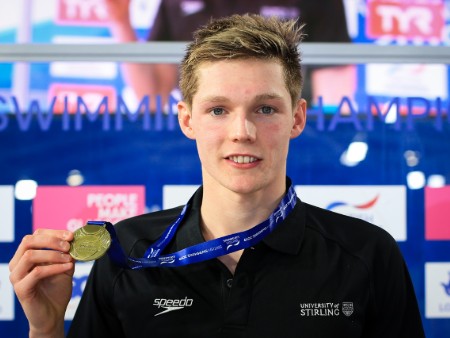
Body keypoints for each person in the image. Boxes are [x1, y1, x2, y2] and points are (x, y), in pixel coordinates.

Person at [9, 14, 425, 338]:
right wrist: (45, 329)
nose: (242, 132)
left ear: (297, 118)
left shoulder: (367, 255)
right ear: (187, 119)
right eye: (218, 110)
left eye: (265, 109)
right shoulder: (128, 254)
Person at [105, 0, 355, 110]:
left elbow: (335, 89)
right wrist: (120, 21)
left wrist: (329, 139)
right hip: (202, 137)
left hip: (285, 136)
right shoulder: (175, 2)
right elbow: (153, 95)